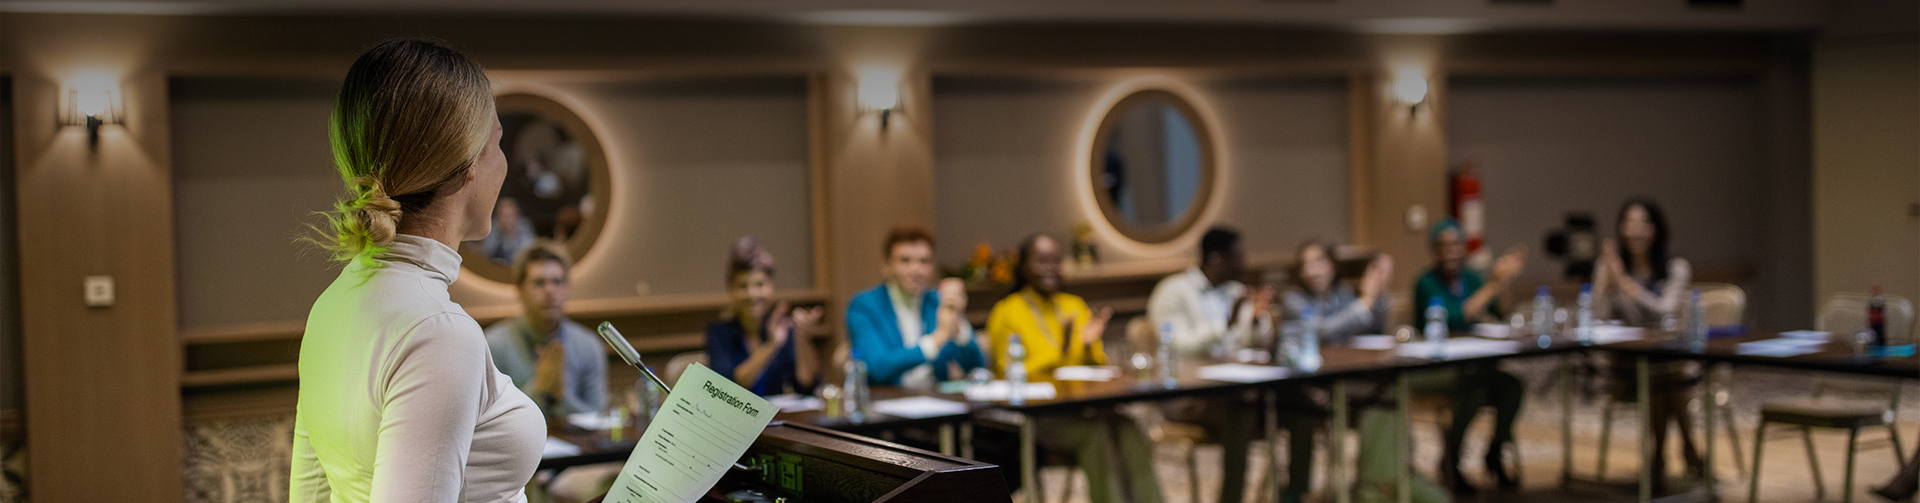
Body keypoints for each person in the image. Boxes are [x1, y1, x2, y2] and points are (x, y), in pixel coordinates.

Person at [292, 39, 543, 503]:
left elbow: (309, 493)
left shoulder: (332, 303)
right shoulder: (439, 332)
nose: (504, 164)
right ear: (469, 164)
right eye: (498, 145)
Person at [985, 234, 1162, 503]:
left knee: (1127, 427)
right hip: (1040, 417)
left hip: (1082, 406)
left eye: (1056, 261)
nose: (1050, 268)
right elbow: (1009, 372)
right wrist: (1063, 349)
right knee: (1096, 435)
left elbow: (1099, 367)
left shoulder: (1073, 304)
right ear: (1023, 267)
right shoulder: (1007, 311)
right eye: (1041, 261)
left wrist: (1090, 346)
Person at [1147, 226, 1271, 503]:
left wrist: (1256, 320)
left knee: (1298, 402)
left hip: (1235, 387)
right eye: (1237, 257)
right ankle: (1232, 498)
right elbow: (1176, 344)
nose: (1244, 263)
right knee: (1241, 407)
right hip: (1187, 395)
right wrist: (1224, 325)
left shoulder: (1236, 291)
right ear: (1216, 260)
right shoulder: (1172, 291)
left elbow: (1255, 344)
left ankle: (1292, 493)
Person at [1593, 197, 1703, 494]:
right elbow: (1596, 317)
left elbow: (1665, 310)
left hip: (1665, 360)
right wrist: (1607, 282)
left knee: (1664, 372)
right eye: (1628, 223)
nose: (1635, 231)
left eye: (1643, 223)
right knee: (1667, 375)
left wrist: (1627, 284)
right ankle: (1689, 451)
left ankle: (1657, 459)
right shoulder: (1611, 267)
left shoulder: (1675, 268)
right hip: (1623, 365)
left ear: (1656, 230)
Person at [1411, 218, 1527, 494]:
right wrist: (1493, 284)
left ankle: (1495, 451)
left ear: (1464, 249)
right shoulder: (1425, 283)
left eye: (1456, 245)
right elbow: (1455, 315)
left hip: (1472, 365)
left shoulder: (1472, 278)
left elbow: (1501, 310)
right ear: (1434, 251)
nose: (1451, 252)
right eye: (1443, 246)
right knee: (1474, 389)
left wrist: (1504, 282)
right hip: (1435, 367)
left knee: (1511, 386)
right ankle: (1451, 459)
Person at [1274, 240, 1392, 503]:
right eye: (1305, 264)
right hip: (1305, 386)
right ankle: (1297, 492)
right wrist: (1364, 303)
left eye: (1318, 262)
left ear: (1333, 266)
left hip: (1343, 379)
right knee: (1302, 414)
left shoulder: (1342, 295)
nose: (1311, 271)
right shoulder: (1294, 299)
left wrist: (1379, 292)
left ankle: (1380, 482)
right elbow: (1322, 330)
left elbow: (1373, 327)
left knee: (1388, 395)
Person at [846, 226, 986, 389]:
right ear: (886, 266)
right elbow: (877, 369)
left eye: (924, 261)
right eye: (905, 260)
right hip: (887, 404)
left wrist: (959, 328)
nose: (916, 270)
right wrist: (938, 338)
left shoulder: (939, 300)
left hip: (936, 402)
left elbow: (976, 367)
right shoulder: (864, 306)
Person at [484, 241, 607, 418]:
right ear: (519, 290)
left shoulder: (588, 344)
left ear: (567, 289)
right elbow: (490, 419)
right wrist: (538, 388)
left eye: (557, 282)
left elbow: (598, 417)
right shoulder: (494, 345)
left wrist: (561, 397)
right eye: (539, 283)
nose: (550, 290)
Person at [706, 237, 822, 396]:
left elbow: (806, 386)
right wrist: (771, 346)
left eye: (759, 285)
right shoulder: (719, 334)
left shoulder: (784, 329)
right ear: (731, 290)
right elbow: (728, 389)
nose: (752, 294)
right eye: (743, 286)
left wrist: (802, 338)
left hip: (778, 419)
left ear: (771, 287)